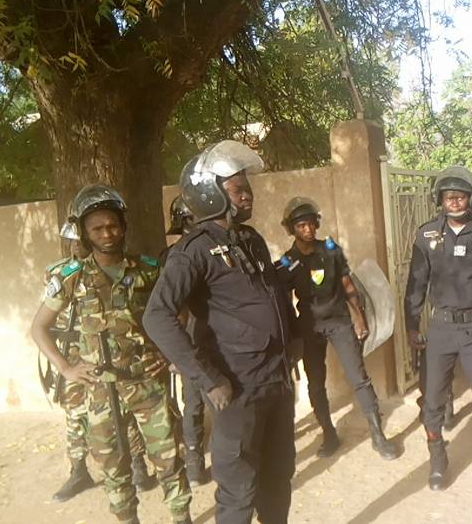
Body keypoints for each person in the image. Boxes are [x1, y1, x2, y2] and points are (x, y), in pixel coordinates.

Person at [143, 141, 296, 524]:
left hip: (275, 382)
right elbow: (157, 316)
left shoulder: (251, 240)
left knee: (278, 479)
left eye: (248, 187)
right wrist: (208, 379)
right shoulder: (192, 251)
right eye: (238, 189)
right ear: (210, 194)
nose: (248, 195)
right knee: (239, 491)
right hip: (237, 387)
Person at [31, 185, 192, 524]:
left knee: (168, 460)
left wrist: (165, 353)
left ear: (123, 226)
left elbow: (180, 310)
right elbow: (39, 328)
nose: (107, 233)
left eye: (112, 226)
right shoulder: (71, 278)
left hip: (147, 383)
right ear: (85, 234)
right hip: (101, 390)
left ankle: (181, 518)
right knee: (114, 468)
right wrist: (67, 369)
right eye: (97, 228)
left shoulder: (148, 270)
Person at [404, 165, 472, 490]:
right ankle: (437, 457)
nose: (455, 201)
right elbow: (415, 284)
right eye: (449, 196)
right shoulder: (426, 235)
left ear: (470, 197)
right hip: (442, 327)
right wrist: (412, 325)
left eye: (461, 195)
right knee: (433, 398)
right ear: (440, 200)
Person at [279, 196, 399, 460]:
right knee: (316, 383)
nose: (308, 229)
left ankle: (378, 435)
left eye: (311, 224)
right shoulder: (288, 261)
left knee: (359, 378)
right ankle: (329, 434)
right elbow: (284, 301)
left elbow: (347, 286)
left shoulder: (331, 251)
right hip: (310, 326)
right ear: (292, 229)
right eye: (301, 225)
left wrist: (359, 317)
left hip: (339, 321)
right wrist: (289, 335)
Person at [48, 221, 155, 502]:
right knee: (74, 413)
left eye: (77, 241)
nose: (75, 247)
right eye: (71, 242)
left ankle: (137, 463)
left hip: (105, 353)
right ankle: (78, 468)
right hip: (73, 353)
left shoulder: (109, 270)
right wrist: (63, 365)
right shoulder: (60, 274)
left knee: (123, 408)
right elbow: (46, 321)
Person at [161, 196, 211, 485]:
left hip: (208, 337)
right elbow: (172, 311)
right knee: (194, 404)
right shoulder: (174, 256)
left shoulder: (211, 250)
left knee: (198, 404)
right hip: (192, 339)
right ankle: (194, 467)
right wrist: (175, 354)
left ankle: (197, 467)